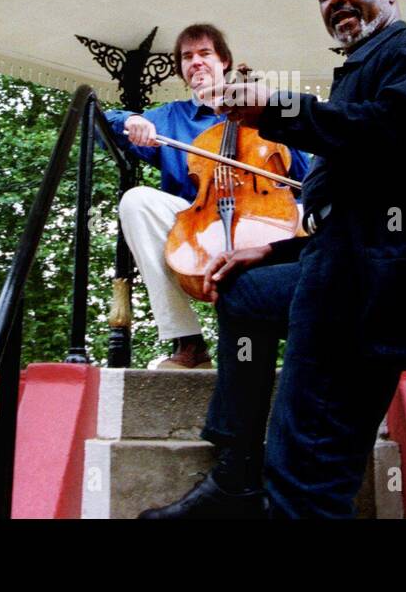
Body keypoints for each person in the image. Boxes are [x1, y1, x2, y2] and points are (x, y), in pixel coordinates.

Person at [138, 0, 406, 518]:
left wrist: (281, 108)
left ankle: (274, 486)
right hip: (341, 270)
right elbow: (356, 210)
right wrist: (273, 247)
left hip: (377, 291)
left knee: (306, 475)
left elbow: (400, 132)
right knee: (240, 290)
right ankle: (237, 470)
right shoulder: (359, 75)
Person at [105, 23, 311, 369]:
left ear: (225, 62)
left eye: (205, 54)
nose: (196, 62)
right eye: (187, 57)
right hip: (199, 223)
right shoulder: (171, 117)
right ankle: (188, 343)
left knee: (319, 215)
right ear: (181, 70)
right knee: (136, 201)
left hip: (265, 218)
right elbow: (104, 122)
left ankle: (319, 337)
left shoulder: (263, 110)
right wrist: (131, 121)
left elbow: (305, 177)